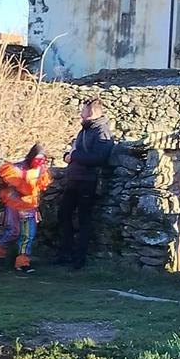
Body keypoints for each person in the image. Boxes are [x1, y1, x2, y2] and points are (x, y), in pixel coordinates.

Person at [56, 97, 112, 270]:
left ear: (92, 112)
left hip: (88, 181)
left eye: (83, 110)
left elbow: (99, 157)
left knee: (84, 219)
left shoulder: (101, 131)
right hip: (74, 179)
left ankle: (79, 259)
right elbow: (75, 150)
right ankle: (66, 253)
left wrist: (74, 156)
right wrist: (68, 155)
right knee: (63, 214)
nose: (80, 113)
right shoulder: (85, 130)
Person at [0, 144, 52, 274]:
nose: (39, 161)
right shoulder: (16, 169)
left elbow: (40, 185)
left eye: (42, 159)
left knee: (28, 234)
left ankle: (22, 262)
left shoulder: (41, 171)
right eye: (37, 158)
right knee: (13, 231)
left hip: (30, 206)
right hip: (13, 205)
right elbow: (6, 179)